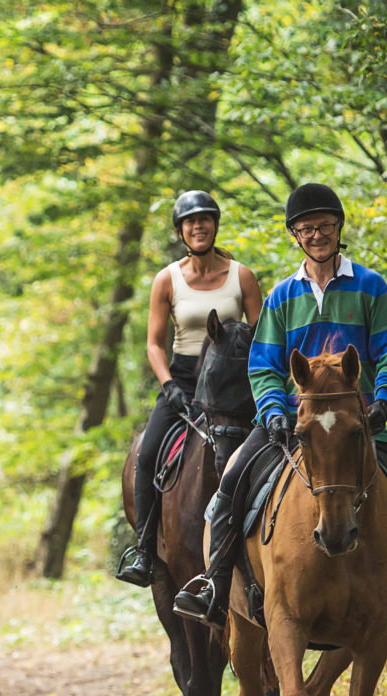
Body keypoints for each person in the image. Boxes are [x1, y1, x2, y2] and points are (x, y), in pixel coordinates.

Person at [174, 182, 387, 627]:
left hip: (359, 421)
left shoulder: (371, 288)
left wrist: (383, 401)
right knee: (231, 483)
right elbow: (262, 365)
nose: (316, 235)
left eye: (324, 226)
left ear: (339, 228)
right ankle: (215, 588)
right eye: (306, 228)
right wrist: (274, 410)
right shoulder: (282, 296)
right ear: (295, 235)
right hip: (294, 424)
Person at [116, 191, 262, 586]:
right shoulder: (168, 279)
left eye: (205, 220)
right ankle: (145, 551)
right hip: (182, 382)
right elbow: (153, 342)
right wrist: (168, 386)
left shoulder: (241, 276)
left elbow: (262, 338)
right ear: (181, 230)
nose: (198, 227)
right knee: (147, 455)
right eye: (190, 222)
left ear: (215, 225)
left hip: (233, 387)